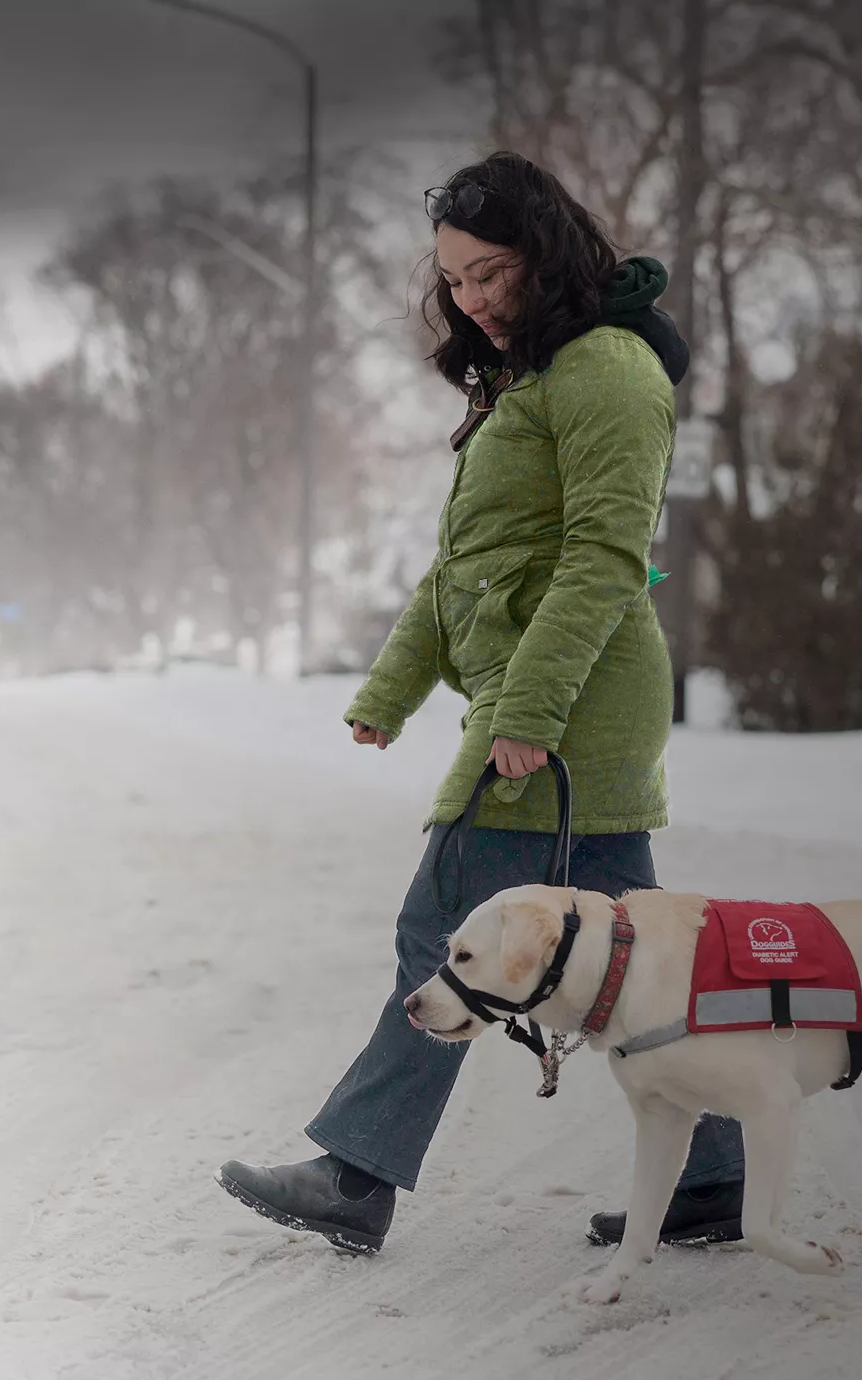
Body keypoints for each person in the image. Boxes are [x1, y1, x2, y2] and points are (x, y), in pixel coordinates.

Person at [218, 152, 745, 1255]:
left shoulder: (606, 372)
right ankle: (713, 1176)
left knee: (439, 928)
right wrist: (390, 689)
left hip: (563, 705)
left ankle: (356, 1174)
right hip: (548, 702)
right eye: (454, 278)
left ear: (548, 257)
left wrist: (532, 712)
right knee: (635, 957)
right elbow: (467, 567)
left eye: (492, 271)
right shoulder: (535, 376)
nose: (471, 298)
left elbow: (605, 558)